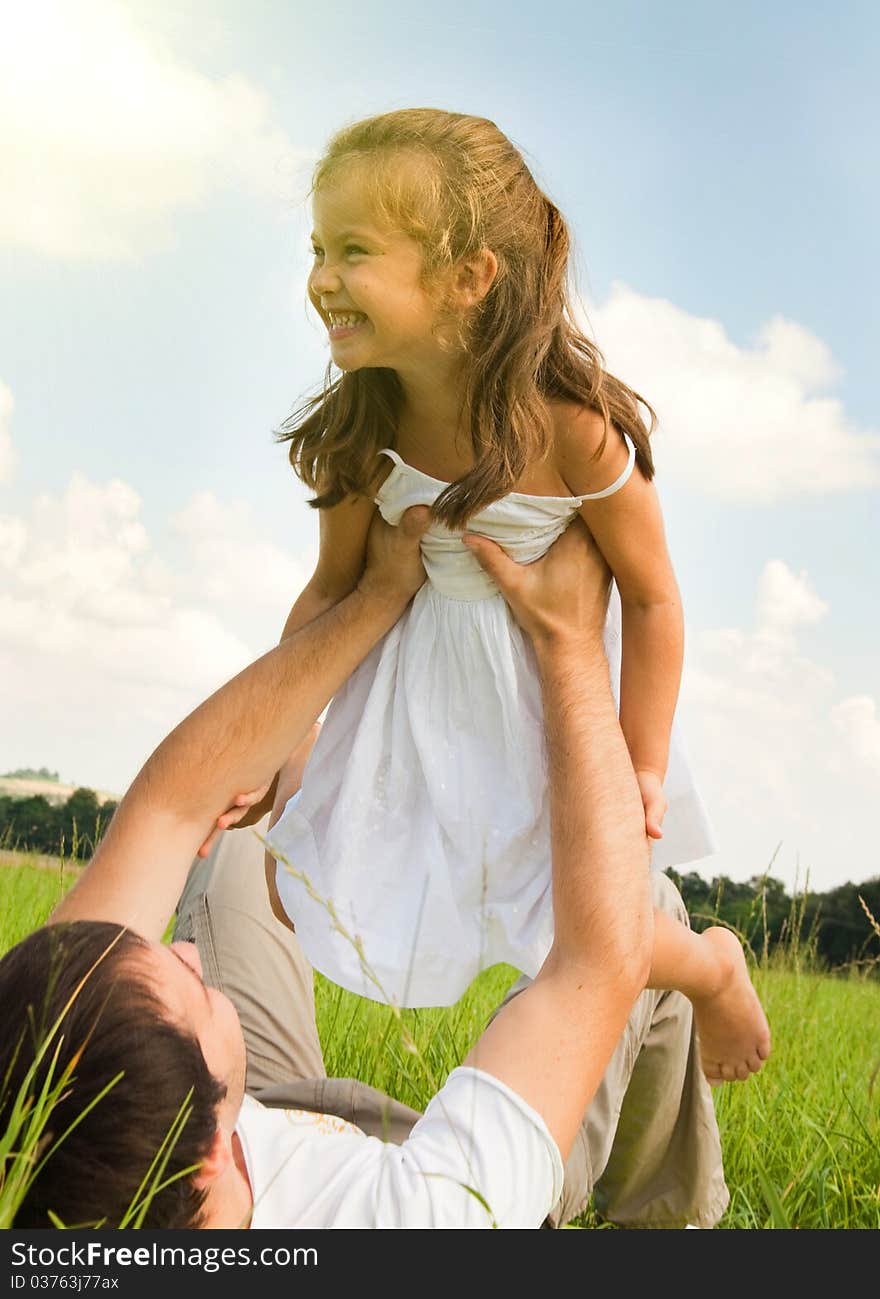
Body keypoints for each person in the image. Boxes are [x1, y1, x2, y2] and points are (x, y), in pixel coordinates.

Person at [0, 510, 730, 1229]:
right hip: (446, 1171)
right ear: (205, 1162)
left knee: (243, 840)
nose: (188, 951)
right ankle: (670, 1217)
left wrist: (372, 595)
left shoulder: (40, 1107)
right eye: (194, 989)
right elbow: (596, 956)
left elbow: (170, 809)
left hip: (266, 1116)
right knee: (649, 906)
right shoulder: (432, 1217)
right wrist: (568, 639)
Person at [238, 107, 769, 1085]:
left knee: (588, 915)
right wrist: (275, 736)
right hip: (413, 699)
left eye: (352, 251)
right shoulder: (365, 426)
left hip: (547, 703)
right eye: (316, 247)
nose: (320, 278)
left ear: (468, 277)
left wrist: (643, 759)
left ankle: (708, 965)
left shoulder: (571, 430)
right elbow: (328, 589)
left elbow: (651, 600)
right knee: (298, 880)